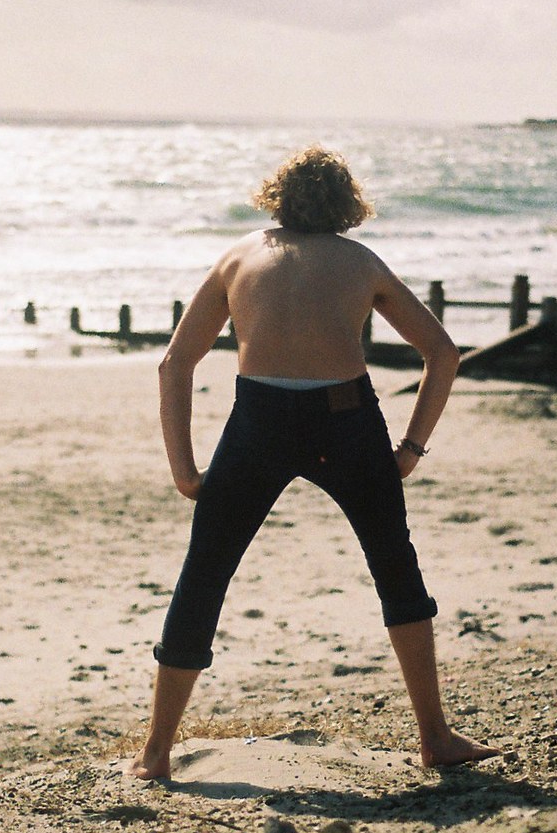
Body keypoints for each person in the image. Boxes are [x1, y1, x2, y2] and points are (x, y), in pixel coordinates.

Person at [130, 146, 499, 780]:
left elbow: (175, 364)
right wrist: (411, 448)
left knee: (206, 572)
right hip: (346, 421)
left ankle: (156, 752)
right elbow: (442, 352)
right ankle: (435, 737)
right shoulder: (361, 262)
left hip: (259, 423)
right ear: (347, 203)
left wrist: (183, 469)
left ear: (276, 196)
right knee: (394, 565)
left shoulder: (238, 257)